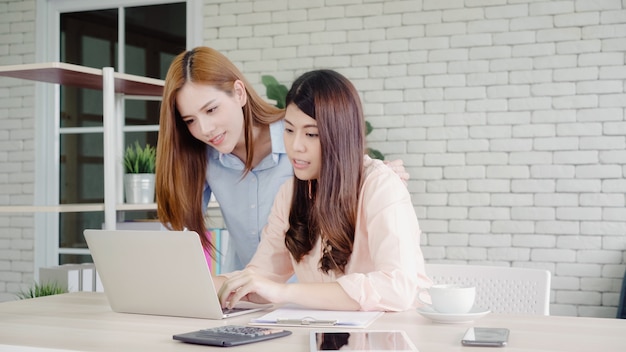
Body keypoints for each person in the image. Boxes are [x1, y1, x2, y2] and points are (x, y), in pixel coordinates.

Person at [156, 47, 409, 271]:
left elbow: (346, 163)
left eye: (211, 109)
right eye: (190, 120)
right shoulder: (201, 157)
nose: (205, 129)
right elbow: (176, 238)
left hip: (312, 297)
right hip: (247, 297)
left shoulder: (298, 138)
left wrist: (378, 174)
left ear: (239, 93)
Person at [216, 69, 430, 312]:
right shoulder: (290, 194)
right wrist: (195, 287)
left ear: (340, 135)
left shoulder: (380, 186)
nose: (295, 146)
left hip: (396, 336)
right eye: (288, 130)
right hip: (326, 336)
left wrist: (284, 292)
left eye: (311, 134)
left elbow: (397, 288)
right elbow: (262, 277)